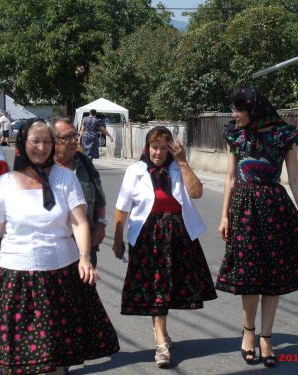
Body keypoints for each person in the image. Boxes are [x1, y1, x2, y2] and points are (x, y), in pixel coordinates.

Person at [0, 118, 119, 375]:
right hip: (17, 279)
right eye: (36, 140)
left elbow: (79, 222)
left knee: (55, 358)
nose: (42, 147)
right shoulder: (4, 184)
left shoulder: (66, 179)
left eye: (47, 141)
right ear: (22, 144)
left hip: (61, 276)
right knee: (23, 358)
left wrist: (84, 257)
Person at [216, 88, 298, 367]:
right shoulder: (235, 135)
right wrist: (224, 216)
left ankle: (267, 336)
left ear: (253, 110)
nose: (233, 115)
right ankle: (248, 333)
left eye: (237, 110)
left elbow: (296, 179)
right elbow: (230, 178)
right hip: (243, 208)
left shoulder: (283, 135)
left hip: (275, 208)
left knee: (273, 275)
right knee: (249, 274)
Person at [112, 126, 217, 368]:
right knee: (156, 286)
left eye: (163, 147)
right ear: (147, 148)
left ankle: (162, 330)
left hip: (178, 235)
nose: (158, 152)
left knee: (168, 287)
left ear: (170, 149)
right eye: (154, 147)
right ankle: (161, 341)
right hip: (148, 235)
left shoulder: (176, 168)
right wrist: (118, 240)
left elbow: (196, 192)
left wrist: (182, 161)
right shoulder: (135, 171)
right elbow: (122, 207)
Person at [53, 117, 108, 268]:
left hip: (84, 242)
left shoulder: (84, 162)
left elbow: (99, 197)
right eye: (66, 137)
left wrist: (101, 224)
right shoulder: (43, 168)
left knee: (85, 288)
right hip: (53, 246)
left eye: (74, 136)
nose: (73, 141)